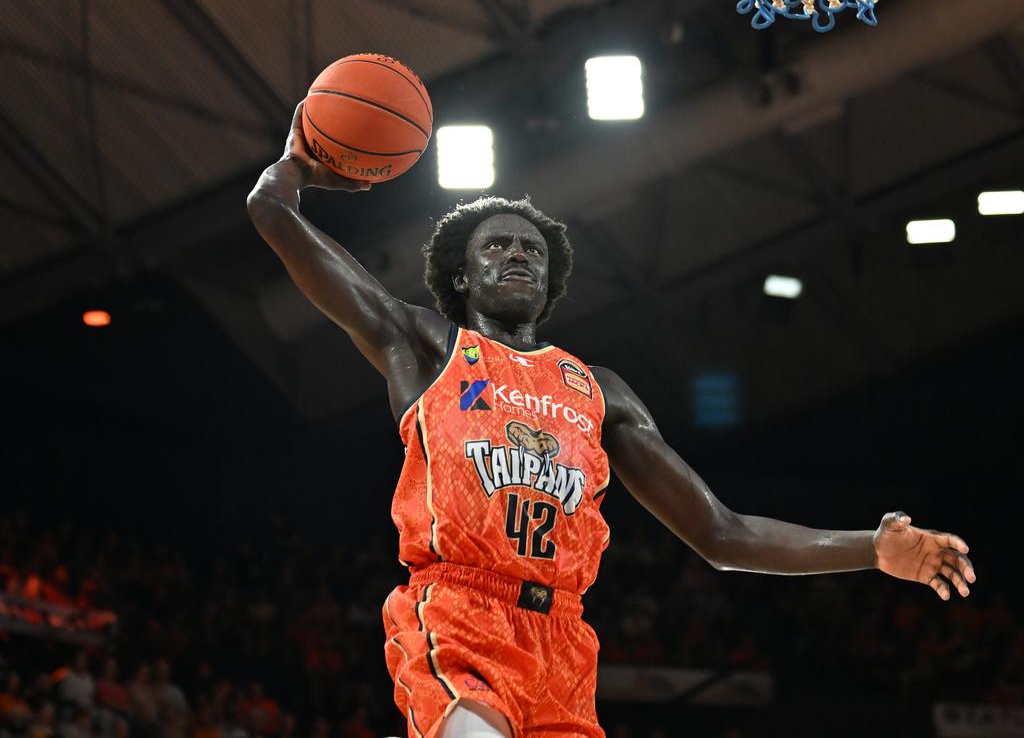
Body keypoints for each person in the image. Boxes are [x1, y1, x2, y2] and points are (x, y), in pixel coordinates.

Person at [247, 103, 977, 738]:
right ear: (462, 276)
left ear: (551, 283)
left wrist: (874, 551)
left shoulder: (601, 392)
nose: (517, 255)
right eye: (496, 245)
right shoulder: (426, 343)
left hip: (563, 639)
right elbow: (272, 214)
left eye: (532, 249)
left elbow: (721, 534)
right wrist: (296, 163)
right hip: (462, 611)